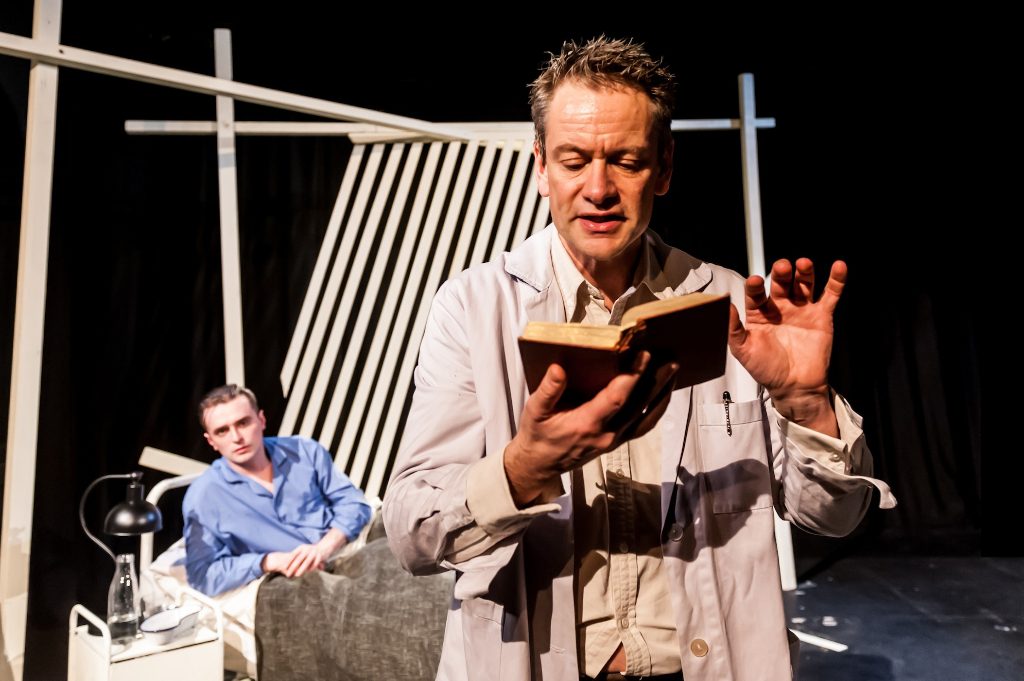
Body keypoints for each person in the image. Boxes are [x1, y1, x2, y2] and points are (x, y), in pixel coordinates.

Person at [382, 36, 896, 681]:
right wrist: (523, 468)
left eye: (625, 161)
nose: (598, 189)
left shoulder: (732, 308)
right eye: (574, 161)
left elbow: (835, 517)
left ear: (665, 167)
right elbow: (413, 534)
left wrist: (805, 401)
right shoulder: (473, 306)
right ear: (541, 166)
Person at [183, 384, 372, 596]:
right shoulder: (204, 495)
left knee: (397, 544)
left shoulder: (303, 451)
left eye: (243, 423)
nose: (236, 437)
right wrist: (267, 561)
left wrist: (324, 548)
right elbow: (202, 574)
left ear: (261, 420)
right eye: (222, 431)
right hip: (291, 580)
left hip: (344, 546)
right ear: (211, 441)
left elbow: (354, 503)